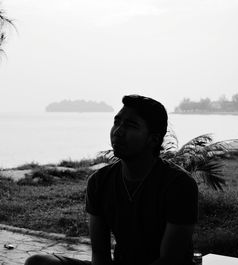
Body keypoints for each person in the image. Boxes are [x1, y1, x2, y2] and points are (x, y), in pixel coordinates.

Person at [25, 95, 198, 265]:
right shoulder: (100, 182)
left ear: (153, 139)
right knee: (37, 263)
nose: (118, 131)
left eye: (130, 125)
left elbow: (170, 260)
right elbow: (100, 254)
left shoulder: (178, 185)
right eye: (117, 122)